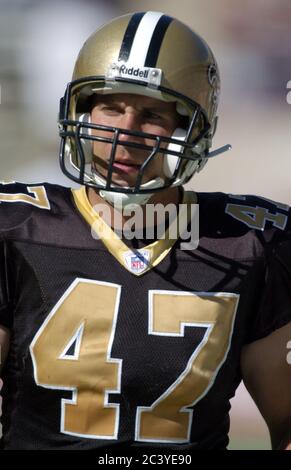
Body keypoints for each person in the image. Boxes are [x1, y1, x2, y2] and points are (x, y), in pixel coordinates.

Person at [0, 11, 290, 452]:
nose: (126, 132)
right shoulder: (18, 228)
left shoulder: (254, 244)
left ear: (194, 130)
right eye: (110, 107)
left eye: (153, 115)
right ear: (79, 111)